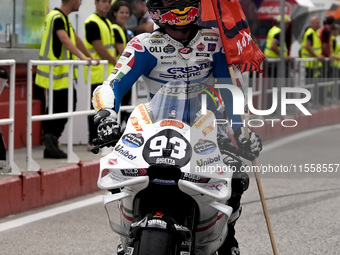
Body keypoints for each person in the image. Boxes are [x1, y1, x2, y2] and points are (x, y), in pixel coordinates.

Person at [91, 0, 262, 254]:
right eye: (170, 1)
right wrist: (106, 117)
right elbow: (112, 85)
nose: (178, 7)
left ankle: (228, 241)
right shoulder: (143, 44)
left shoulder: (214, 41)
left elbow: (231, 90)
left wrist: (242, 131)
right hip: (155, 126)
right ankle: (128, 235)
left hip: (205, 129)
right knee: (122, 173)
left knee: (236, 175)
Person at [35, 0, 96, 159]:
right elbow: (64, 38)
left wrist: (89, 56)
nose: (81, 3)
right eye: (79, 0)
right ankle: (50, 139)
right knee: (60, 108)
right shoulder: (57, 17)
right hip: (56, 74)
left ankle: (51, 142)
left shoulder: (61, 18)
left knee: (60, 108)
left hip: (59, 75)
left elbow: (75, 38)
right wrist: (82, 57)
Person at [84, 0, 117, 150]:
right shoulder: (91, 22)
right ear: (96, 3)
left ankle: (106, 138)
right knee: (97, 109)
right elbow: (100, 49)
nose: (107, 4)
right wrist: (118, 63)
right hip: (97, 73)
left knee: (108, 108)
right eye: (103, 1)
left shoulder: (107, 22)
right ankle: (93, 140)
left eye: (109, 2)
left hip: (107, 72)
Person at [106, 0, 134, 126]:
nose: (125, 15)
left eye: (127, 12)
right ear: (115, 13)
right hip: (119, 73)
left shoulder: (125, 29)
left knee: (126, 105)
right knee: (120, 103)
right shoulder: (115, 28)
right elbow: (123, 53)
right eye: (122, 12)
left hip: (125, 73)